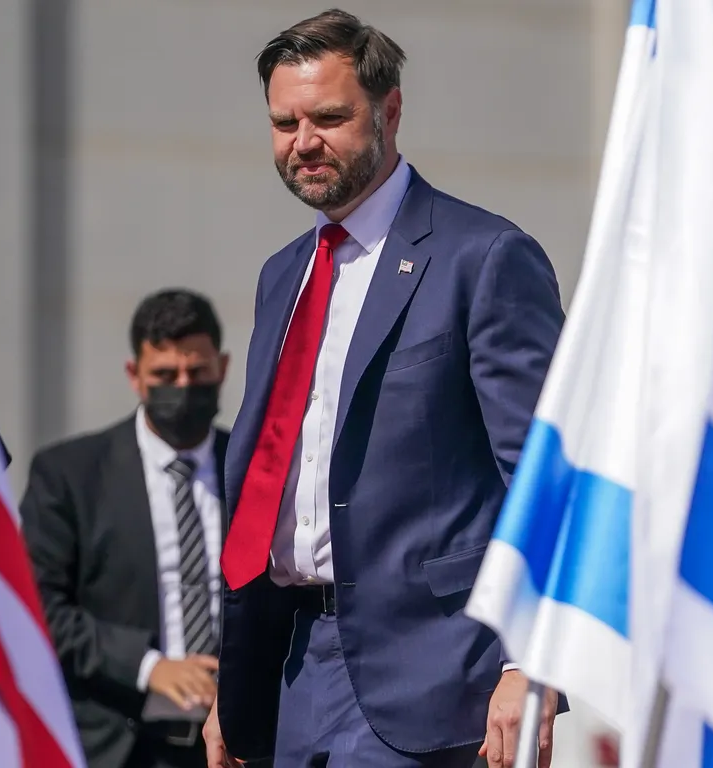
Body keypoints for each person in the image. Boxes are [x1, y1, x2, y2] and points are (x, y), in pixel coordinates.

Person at [204, 9, 566, 768]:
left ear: (389, 110)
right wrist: (234, 692)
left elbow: (544, 477)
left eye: (329, 118)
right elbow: (270, 485)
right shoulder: (283, 275)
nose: (304, 142)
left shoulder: (483, 256)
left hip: (434, 677)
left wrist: (531, 662)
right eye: (285, 123)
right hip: (294, 670)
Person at [20, 289, 233, 768]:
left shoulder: (256, 468)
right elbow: (38, 604)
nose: (183, 387)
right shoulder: (70, 475)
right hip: (118, 743)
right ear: (134, 375)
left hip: (235, 747)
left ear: (222, 368)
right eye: (165, 375)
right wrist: (148, 666)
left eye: (197, 372)